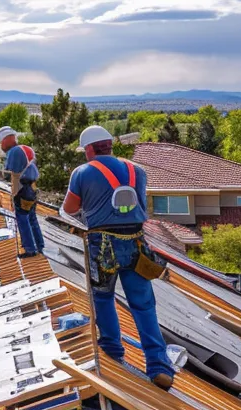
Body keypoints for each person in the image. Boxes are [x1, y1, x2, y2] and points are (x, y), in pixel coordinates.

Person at [62, 125, 178, 391]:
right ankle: (159, 364)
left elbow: (69, 209)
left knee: (103, 296)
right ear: (109, 145)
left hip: (101, 243)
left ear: (89, 149)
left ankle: (112, 349)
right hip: (135, 242)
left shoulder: (82, 173)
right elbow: (137, 204)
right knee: (143, 304)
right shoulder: (136, 170)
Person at [0, 126, 42, 258]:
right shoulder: (26, 149)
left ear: (5, 140)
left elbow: (12, 174)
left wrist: (14, 192)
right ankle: (39, 245)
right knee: (32, 218)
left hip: (23, 189)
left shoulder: (14, 152)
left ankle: (29, 248)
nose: (1, 145)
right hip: (32, 188)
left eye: (1, 142)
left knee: (22, 218)